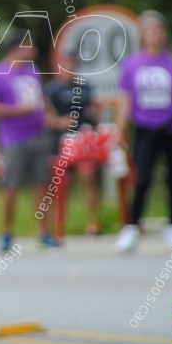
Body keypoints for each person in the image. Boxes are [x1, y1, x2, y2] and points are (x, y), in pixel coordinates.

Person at [114, 11, 172, 253]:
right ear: (142, 35)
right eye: (149, 31)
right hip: (145, 127)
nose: (154, 36)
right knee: (142, 177)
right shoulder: (132, 64)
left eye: (159, 30)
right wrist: (119, 129)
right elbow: (125, 99)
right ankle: (132, 227)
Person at [0, 30, 56, 251]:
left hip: (38, 134)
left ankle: (43, 232)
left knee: (41, 184)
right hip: (14, 138)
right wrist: (18, 110)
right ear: (18, 46)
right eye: (29, 45)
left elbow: (41, 98)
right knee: (11, 186)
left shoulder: (33, 71)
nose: (33, 49)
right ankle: (6, 232)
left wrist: (52, 118)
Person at [45, 49, 102, 235]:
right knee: (59, 182)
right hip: (59, 142)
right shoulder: (52, 89)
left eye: (73, 63)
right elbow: (45, 117)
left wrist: (95, 121)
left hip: (82, 141)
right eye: (67, 63)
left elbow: (93, 112)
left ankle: (93, 222)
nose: (70, 67)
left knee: (88, 175)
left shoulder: (85, 88)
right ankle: (57, 225)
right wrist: (59, 122)